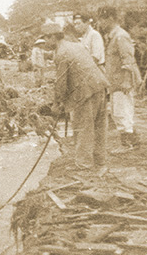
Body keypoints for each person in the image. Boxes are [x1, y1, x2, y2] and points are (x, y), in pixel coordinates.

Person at [42, 22, 109, 170]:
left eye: (46, 39)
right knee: (99, 127)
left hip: (85, 92)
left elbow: (61, 84)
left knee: (83, 128)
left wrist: (57, 104)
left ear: (53, 37)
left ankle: (84, 165)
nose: (46, 43)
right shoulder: (76, 45)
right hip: (100, 87)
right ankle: (100, 161)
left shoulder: (61, 54)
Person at [97, 6, 141, 149]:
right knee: (117, 112)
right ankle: (128, 143)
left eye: (102, 20)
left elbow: (127, 59)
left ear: (110, 19)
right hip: (115, 81)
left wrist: (127, 80)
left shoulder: (120, 36)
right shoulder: (112, 36)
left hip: (122, 81)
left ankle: (130, 144)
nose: (100, 23)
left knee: (123, 112)